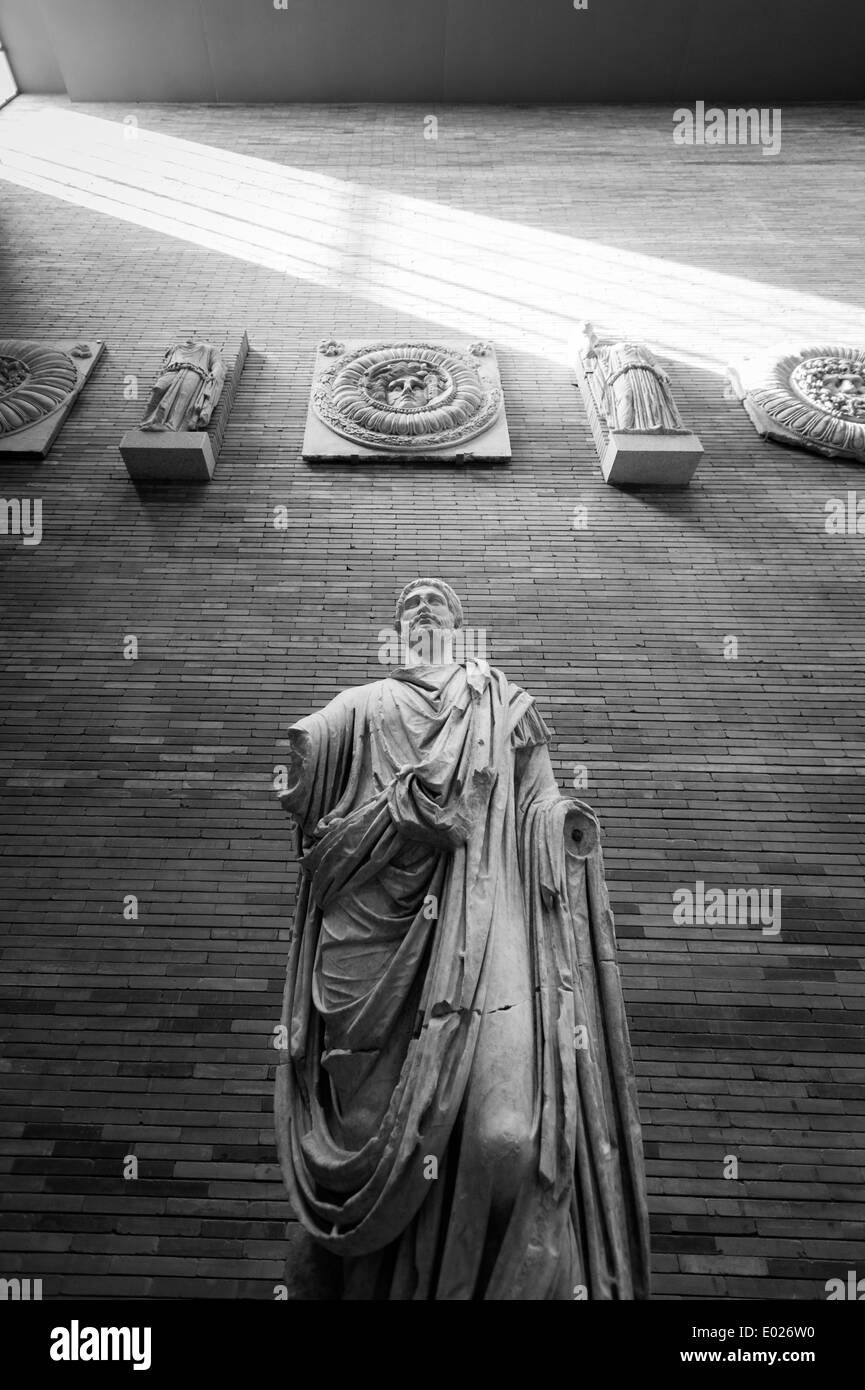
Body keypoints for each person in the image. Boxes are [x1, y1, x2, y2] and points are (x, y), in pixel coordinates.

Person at [275, 579, 650, 1299]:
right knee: (367, 1128)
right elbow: (308, 767)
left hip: (484, 912)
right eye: (409, 601)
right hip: (369, 934)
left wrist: (560, 822)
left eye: (435, 601)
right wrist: (311, 767)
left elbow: (538, 798)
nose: (420, 606)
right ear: (395, 628)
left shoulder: (497, 700)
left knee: (505, 1139)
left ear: (458, 624)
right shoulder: (364, 705)